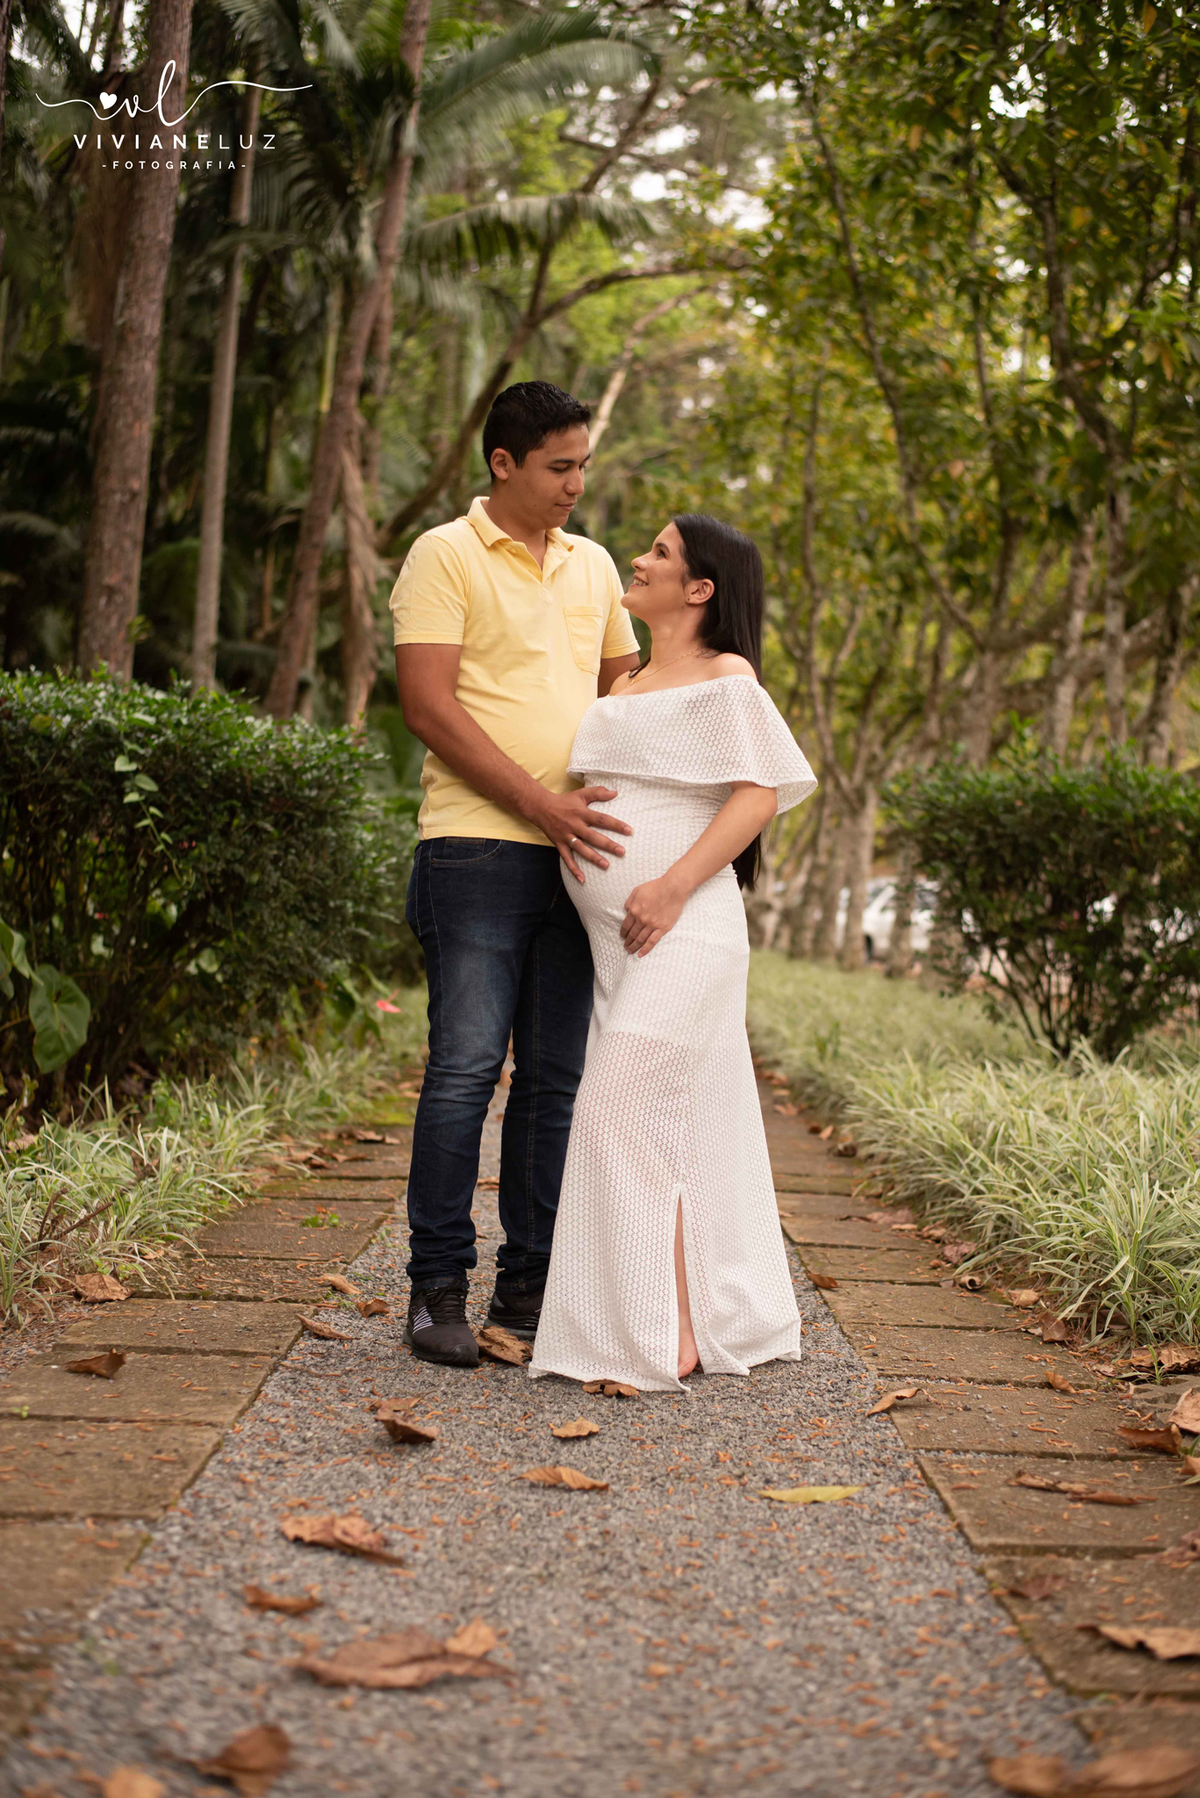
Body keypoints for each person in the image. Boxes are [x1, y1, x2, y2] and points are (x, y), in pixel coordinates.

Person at [528, 514, 817, 1393]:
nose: (640, 561)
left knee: (617, 1106)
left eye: (660, 553)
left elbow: (759, 794)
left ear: (700, 590)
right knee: (668, 1122)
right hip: (616, 945)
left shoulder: (726, 676)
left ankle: (667, 1326)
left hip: (684, 929)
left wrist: (671, 885)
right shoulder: (627, 682)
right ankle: (679, 1317)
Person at [391, 381, 642, 1367]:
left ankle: (529, 1292)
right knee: (462, 1073)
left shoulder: (593, 566)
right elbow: (427, 704)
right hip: (474, 848)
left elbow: (626, 693)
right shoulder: (444, 554)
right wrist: (538, 802)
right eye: (560, 466)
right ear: (505, 464)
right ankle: (436, 1289)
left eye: (583, 464)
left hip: (581, 856)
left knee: (553, 1083)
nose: (578, 483)